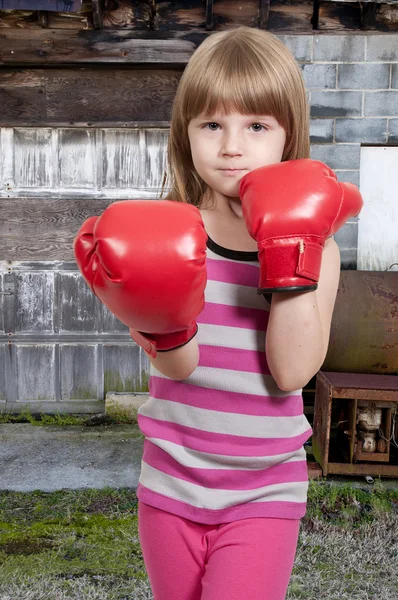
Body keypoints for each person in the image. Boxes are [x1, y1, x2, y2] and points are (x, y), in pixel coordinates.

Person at [74, 26, 363, 600]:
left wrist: (287, 252)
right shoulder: (164, 239)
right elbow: (179, 369)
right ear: (186, 134)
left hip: (263, 492)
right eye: (212, 124)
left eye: (256, 125)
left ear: (288, 135)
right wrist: (162, 314)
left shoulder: (318, 246)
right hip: (171, 484)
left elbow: (292, 372)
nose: (232, 145)